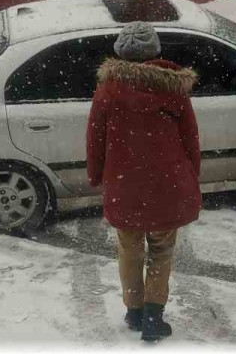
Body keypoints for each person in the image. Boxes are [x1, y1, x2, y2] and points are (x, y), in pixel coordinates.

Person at [86, 22, 202, 342]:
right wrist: (192, 174)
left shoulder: (109, 89)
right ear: (155, 52)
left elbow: (95, 137)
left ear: (121, 53)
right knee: (162, 249)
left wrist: (96, 174)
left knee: (129, 247)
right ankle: (154, 315)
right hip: (168, 182)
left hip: (124, 183)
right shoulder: (173, 87)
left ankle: (134, 310)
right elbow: (189, 138)